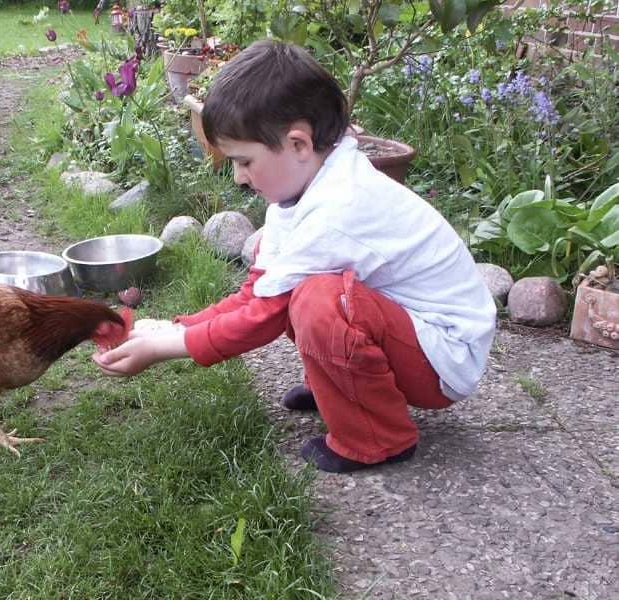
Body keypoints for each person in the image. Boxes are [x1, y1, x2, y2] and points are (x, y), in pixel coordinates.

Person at [93, 40, 496, 473]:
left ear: (298, 144)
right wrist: (177, 327)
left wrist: (164, 348)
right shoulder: (303, 191)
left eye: (244, 160)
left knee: (318, 300)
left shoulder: (338, 210)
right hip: (411, 333)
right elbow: (259, 289)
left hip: (443, 360)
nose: (239, 177)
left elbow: (262, 317)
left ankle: (378, 438)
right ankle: (339, 391)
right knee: (296, 283)